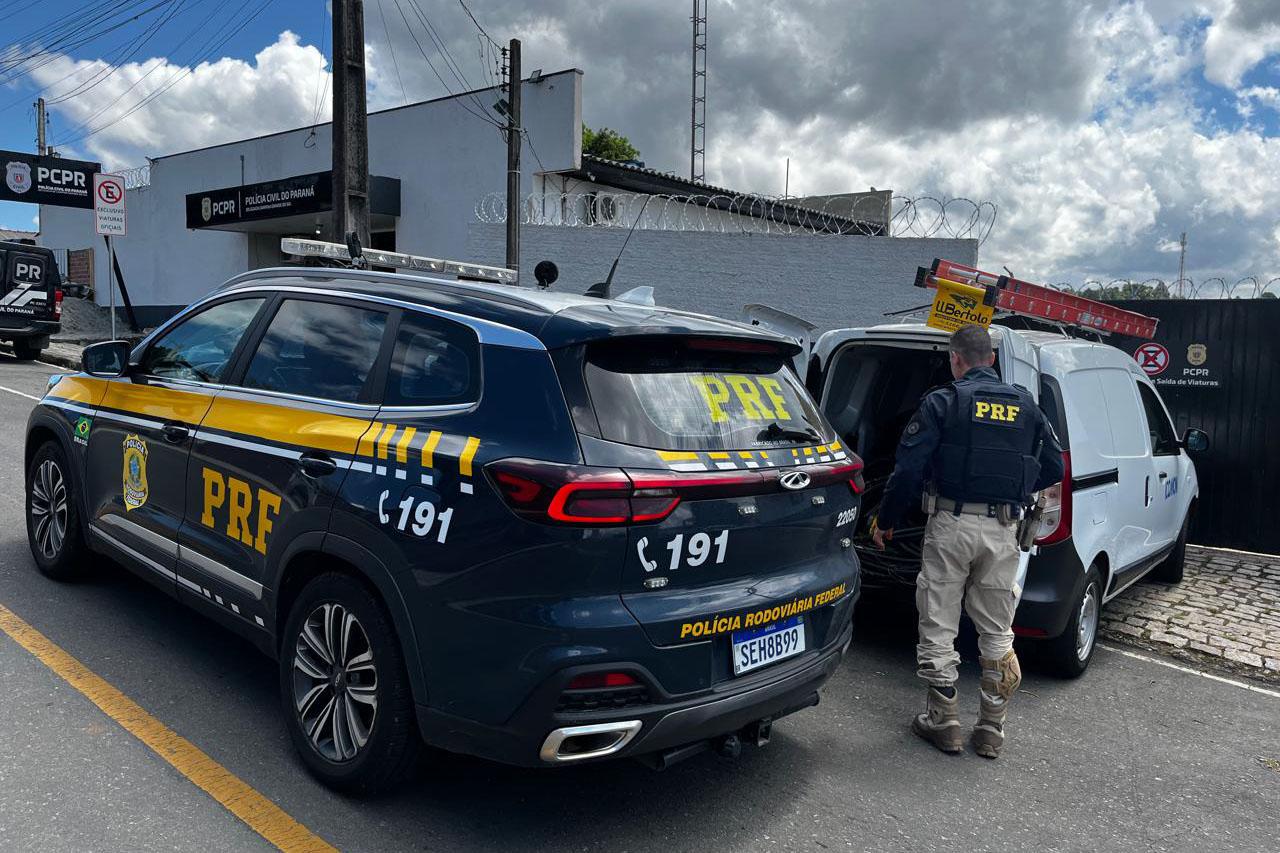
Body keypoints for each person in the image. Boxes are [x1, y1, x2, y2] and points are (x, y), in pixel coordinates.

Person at [871, 323, 1063, 758]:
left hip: (951, 524)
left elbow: (908, 470)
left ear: (955, 360)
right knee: (997, 631)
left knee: (938, 621)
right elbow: (1053, 466)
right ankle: (992, 728)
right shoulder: (1027, 405)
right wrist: (1012, 486)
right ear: (992, 359)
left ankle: (945, 722)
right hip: (1003, 530)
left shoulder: (943, 402)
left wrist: (885, 521)